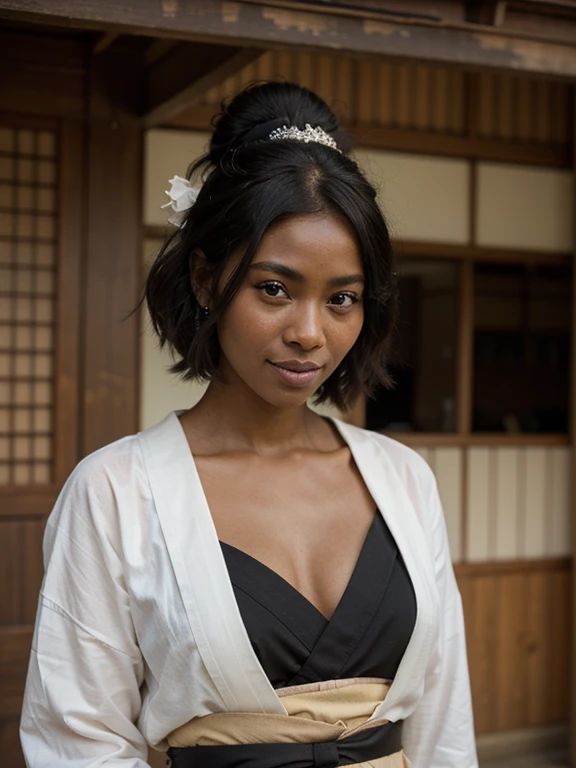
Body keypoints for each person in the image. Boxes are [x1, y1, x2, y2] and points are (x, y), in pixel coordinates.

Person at [20, 81, 478, 768]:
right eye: (274, 288)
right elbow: (78, 741)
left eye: (342, 299)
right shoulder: (116, 492)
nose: (309, 333)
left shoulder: (403, 480)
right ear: (206, 280)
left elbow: (444, 724)